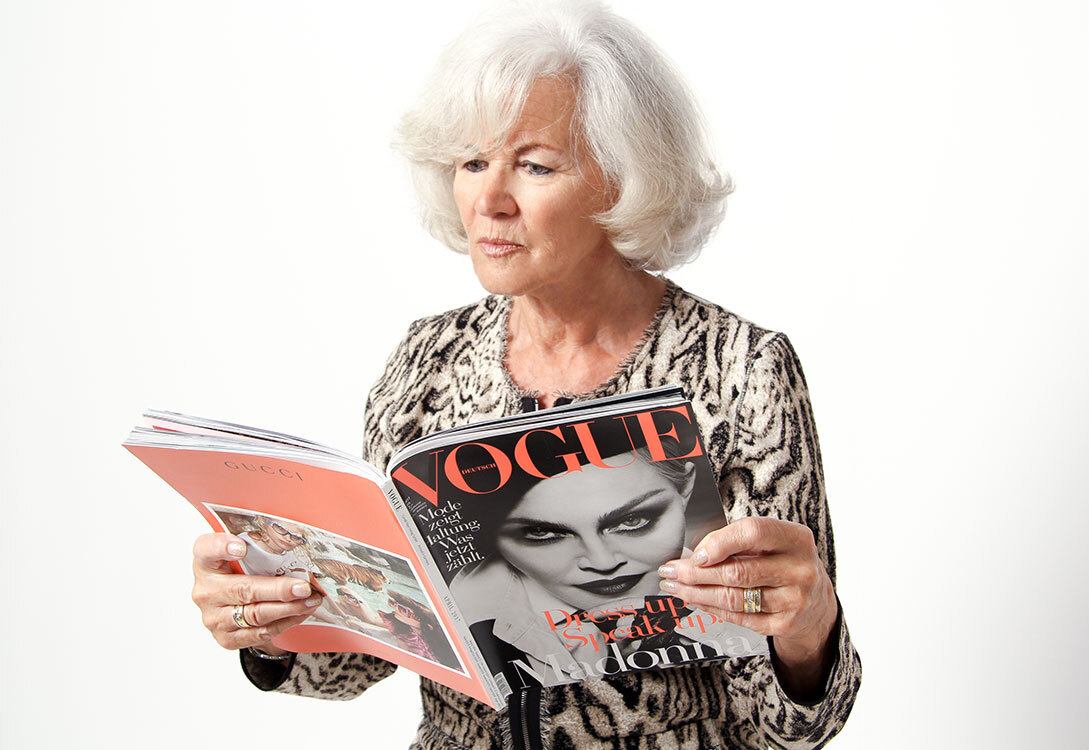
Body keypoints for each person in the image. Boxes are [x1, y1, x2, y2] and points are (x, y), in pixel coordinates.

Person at [189, 2, 861, 747]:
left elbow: (792, 729)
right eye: (472, 162)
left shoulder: (740, 370)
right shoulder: (426, 361)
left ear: (623, 179)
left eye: (535, 165)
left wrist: (807, 628)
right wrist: (271, 618)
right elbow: (370, 653)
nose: (489, 201)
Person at [451, 445, 767, 688]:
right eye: (541, 533)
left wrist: (789, 639)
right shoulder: (466, 606)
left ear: (684, 489)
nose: (603, 563)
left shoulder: (750, 593)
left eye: (633, 520)